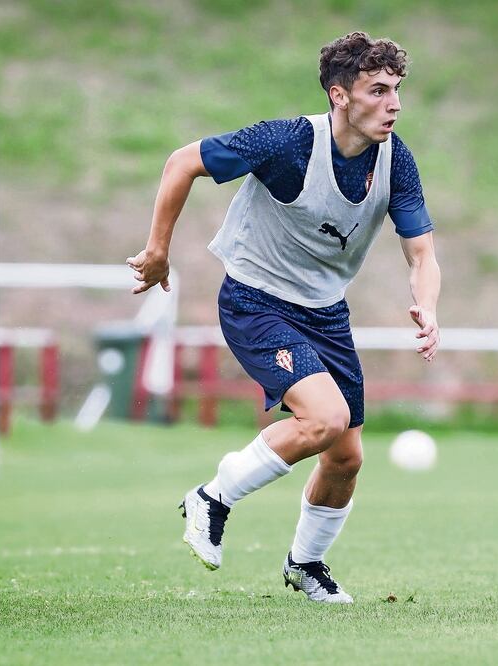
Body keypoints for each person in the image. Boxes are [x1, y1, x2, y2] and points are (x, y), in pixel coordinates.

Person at [127, 31, 441, 604]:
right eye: (378, 90)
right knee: (323, 418)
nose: (394, 103)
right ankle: (211, 497)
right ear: (339, 94)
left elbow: (420, 250)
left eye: (397, 89)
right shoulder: (286, 142)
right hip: (256, 300)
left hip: (325, 313)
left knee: (346, 457)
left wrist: (428, 303)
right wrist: (157, 250)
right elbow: (181, 163)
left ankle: (306, 564)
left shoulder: (397, 162)